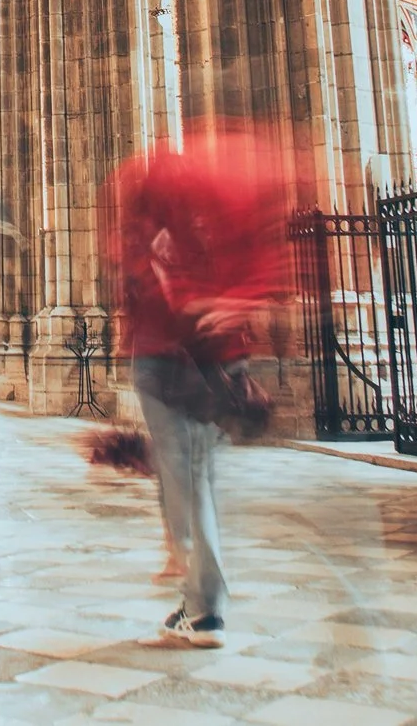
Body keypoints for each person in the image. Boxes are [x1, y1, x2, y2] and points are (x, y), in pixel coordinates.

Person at [107, 126, 298, 650]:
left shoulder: (162, 213)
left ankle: (206, 605)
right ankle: (196, 594)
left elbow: (142, 276)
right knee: (194, 477)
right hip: (207, 357)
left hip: (173, 358)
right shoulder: (209, 213)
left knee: (189, 479)